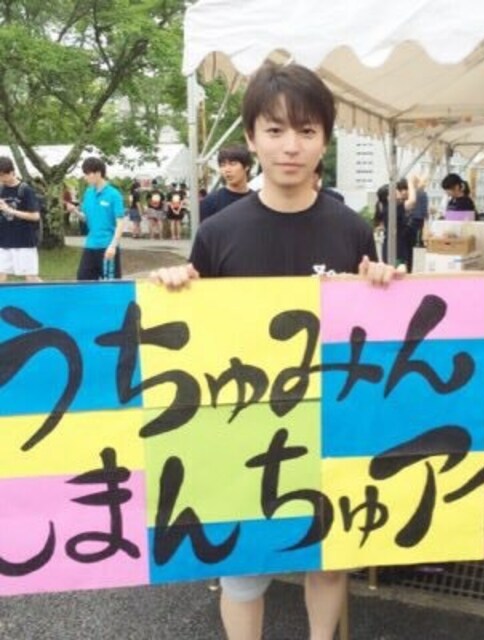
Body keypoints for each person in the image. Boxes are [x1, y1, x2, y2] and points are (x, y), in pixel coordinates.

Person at [151, 61, 402, 640]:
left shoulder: (351, 229)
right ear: (251, 138)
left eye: (307, 131)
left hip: (330, 421)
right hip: (243, 425)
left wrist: (383, 287)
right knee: (243, 570)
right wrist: (171, 291)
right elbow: (195, 338)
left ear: (325, 140)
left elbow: (369, 333)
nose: (291, 146)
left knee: (329, 558)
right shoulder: (218, 233)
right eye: (275, 130)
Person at [73, 157, 125, 280]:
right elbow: (87, 218)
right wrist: (75, 212)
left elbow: (120, 223)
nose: (85, 177)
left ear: (98, 173)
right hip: (90, 245)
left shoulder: (114, 195)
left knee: (110, 285)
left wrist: (113, 246)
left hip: (107, 246)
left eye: (88, 174)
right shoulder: (88, 193)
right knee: (83, 279)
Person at [0, 156, 41, 283]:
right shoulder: (1, 189)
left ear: (12, 172)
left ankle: (49, 294)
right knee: (1, 276)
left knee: (31, 278)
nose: (1, 179)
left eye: (2, 176)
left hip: (24, 242)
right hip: (4, 241)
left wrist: (11, 211)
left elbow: (35, 216)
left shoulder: (25, 190)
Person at [200, 144, 253, 222]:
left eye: (233, 164)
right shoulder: (210, 203)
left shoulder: (257, 201)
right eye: (223, 165)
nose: (227, 170)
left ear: (246, 166)